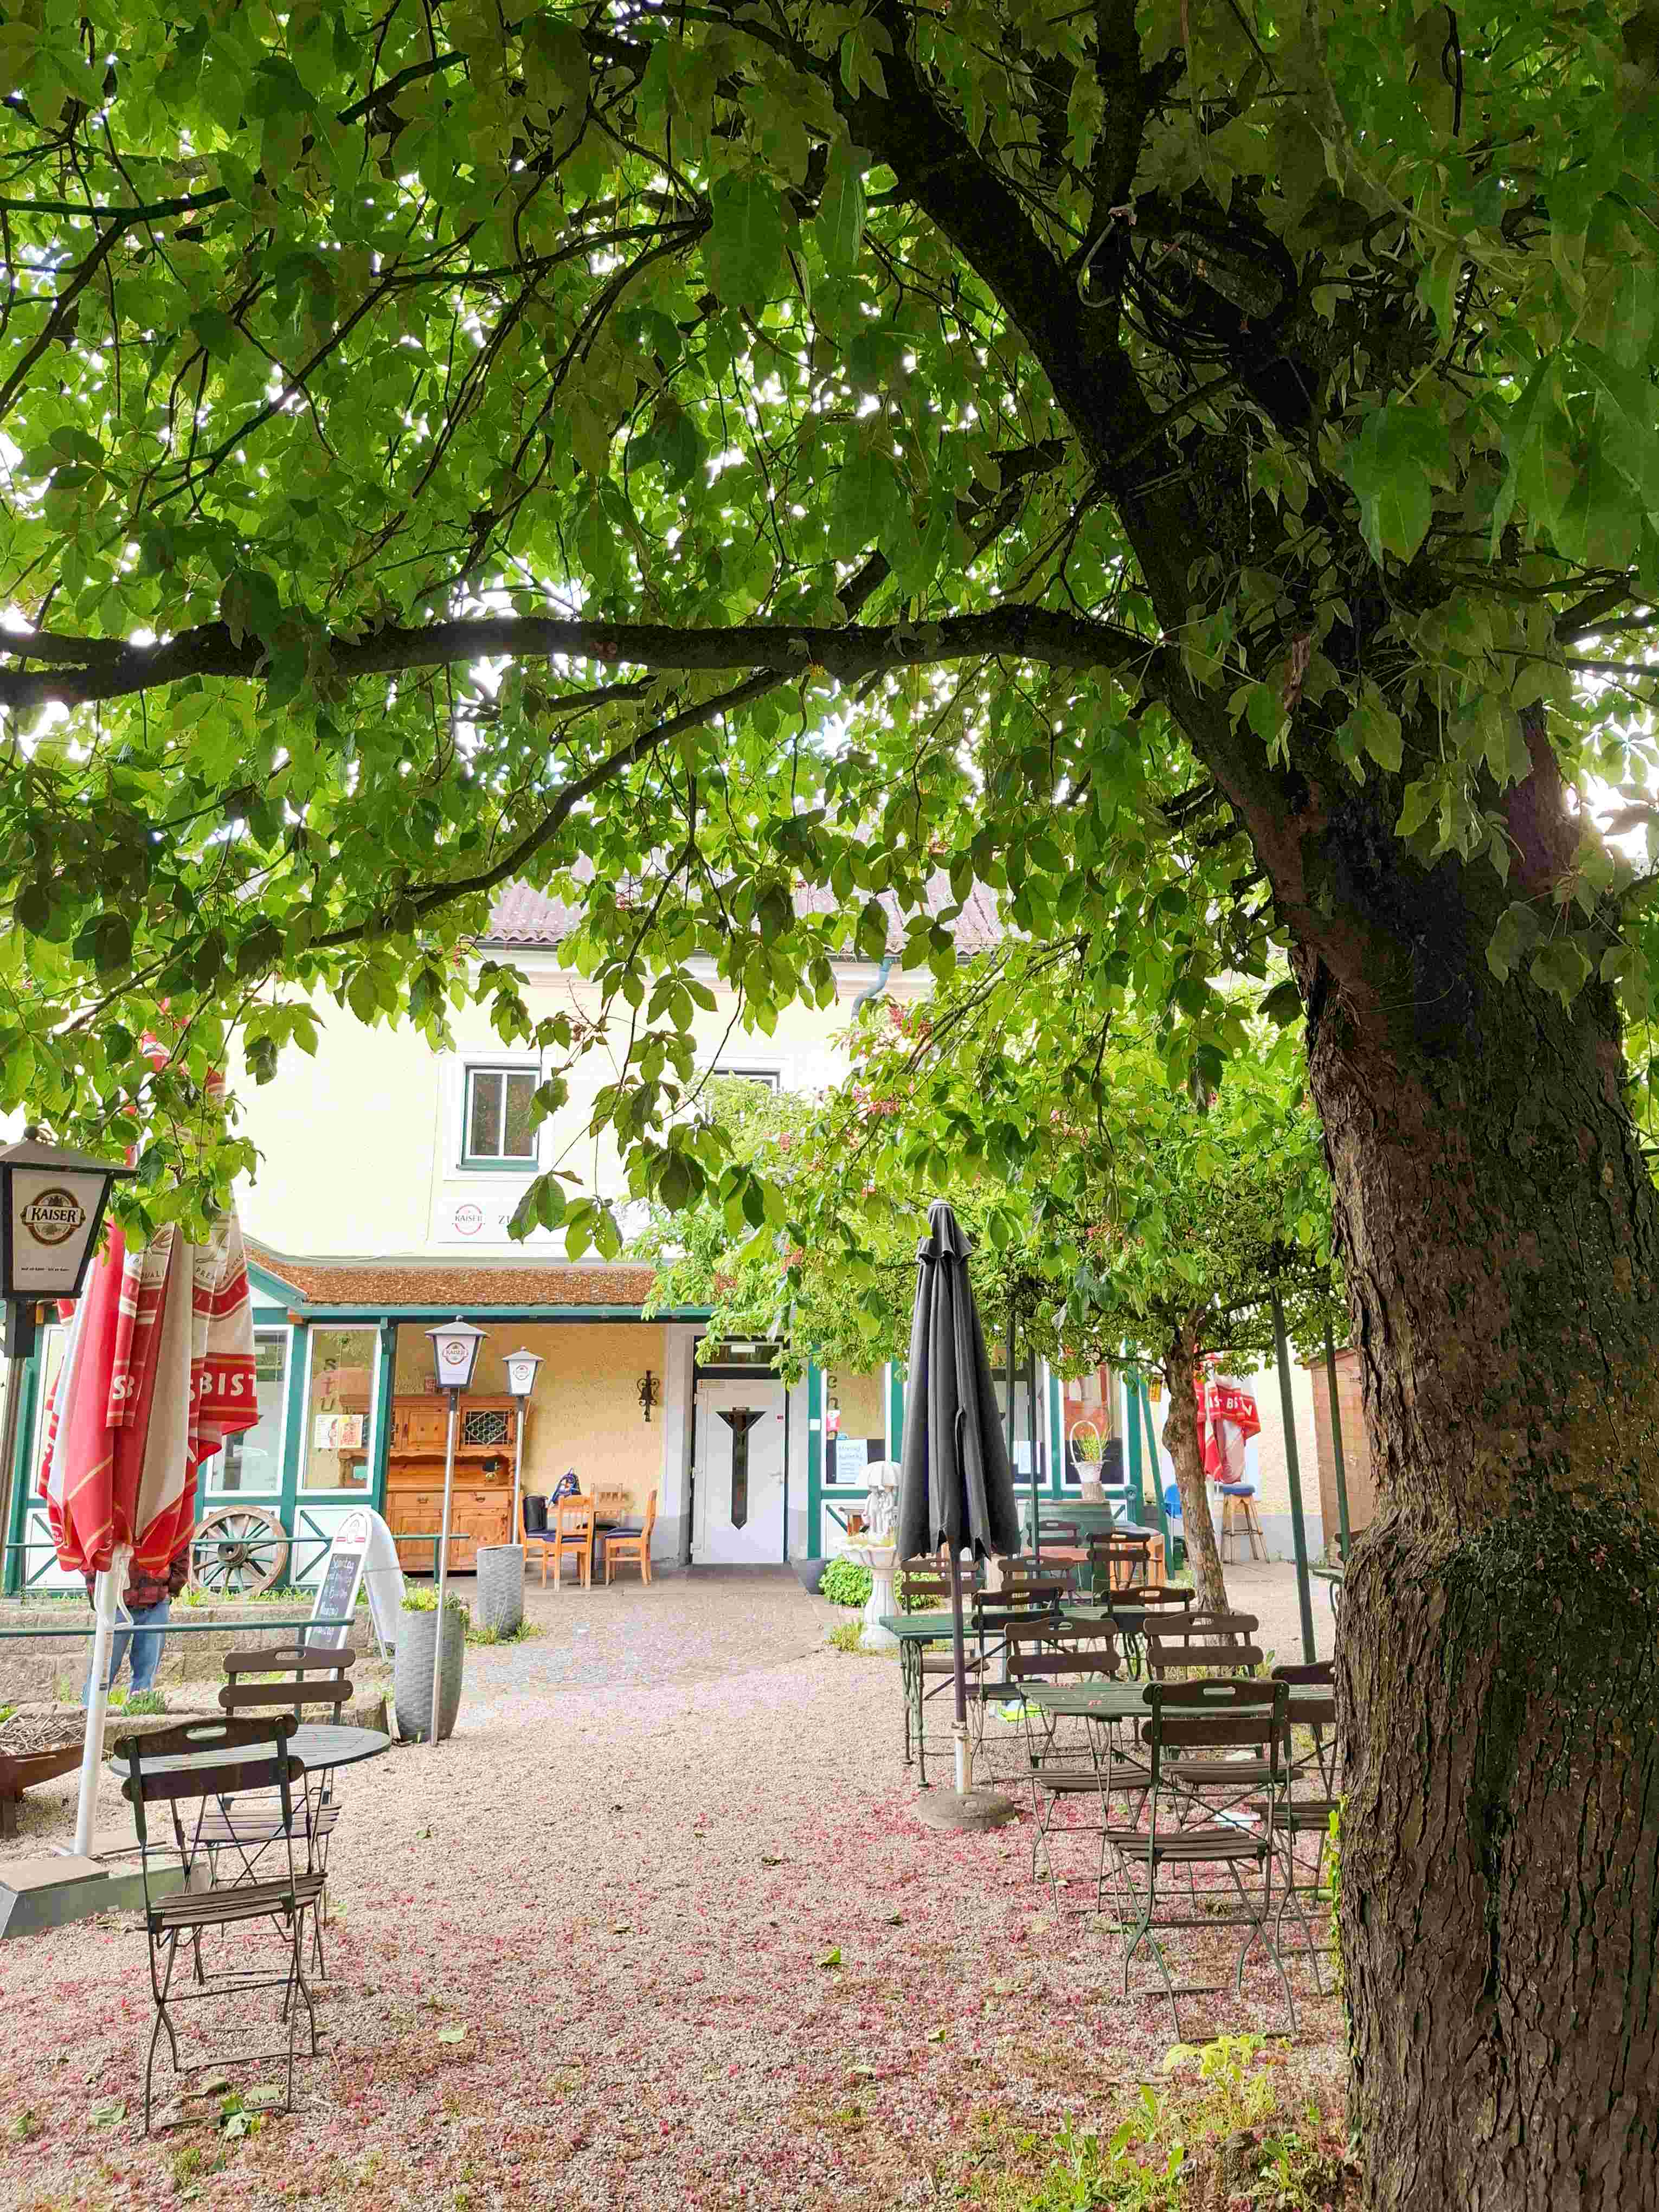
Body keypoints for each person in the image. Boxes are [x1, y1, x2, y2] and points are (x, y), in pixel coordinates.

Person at [80, 1545, 190, 1706]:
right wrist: (97, 1589)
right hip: (115, 1600)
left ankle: (139, 1713)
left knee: (147, 1670)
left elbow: (181, 1544)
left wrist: (171, 1587)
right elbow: (89, 1549)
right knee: (103, 1668)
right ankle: (88, 1716)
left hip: (155, 1598)